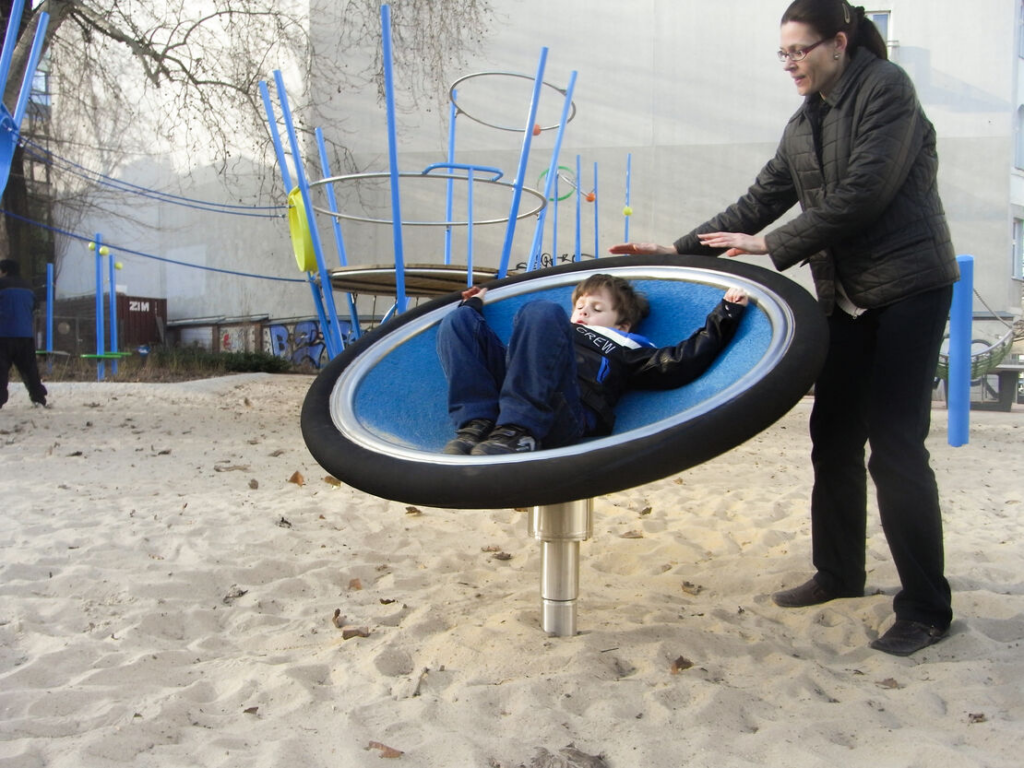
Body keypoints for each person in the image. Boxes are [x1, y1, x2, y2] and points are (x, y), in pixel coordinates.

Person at [610, 0, 959, 656]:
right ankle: (839, 573)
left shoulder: (887, 91)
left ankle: (926, 608)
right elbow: (759, 198)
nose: (791, 64)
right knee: (831, 438)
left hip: (910, 288)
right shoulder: (804, 124)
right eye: (783, 54)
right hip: (848, 297)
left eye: (801, 50)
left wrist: (769, 246)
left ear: (839, 42)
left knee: (895, 447)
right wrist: (678, 253)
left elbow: (865, 191)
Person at [436, 273, 747, 455]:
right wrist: (474, 304)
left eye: (596, 308)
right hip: (511, 397)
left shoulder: (624, 346)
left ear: (621, 325)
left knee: (541, 310)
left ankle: (521, 432)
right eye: (580, 305)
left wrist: (725, 315)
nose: (583, 312)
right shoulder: (552, 331)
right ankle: (476, 424)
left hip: (562, 412)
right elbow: (494, 357)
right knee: (460, 319)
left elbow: (680, 362)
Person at [0, 258, 48, 409]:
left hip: (3, 334)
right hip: (25, 334)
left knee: (1, 371)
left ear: (4, 270)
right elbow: (34, 307)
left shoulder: (1, 284)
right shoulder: (29, 287)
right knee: (29, 370)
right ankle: (38, 398)